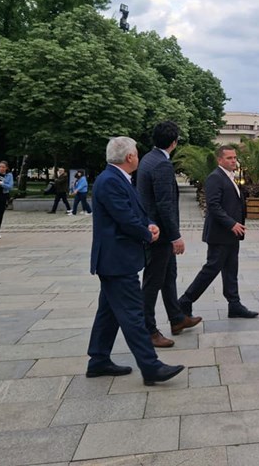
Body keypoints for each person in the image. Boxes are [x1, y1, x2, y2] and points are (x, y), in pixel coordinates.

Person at [86, 136, 184, 386]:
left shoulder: (118, 178)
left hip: (116, 260)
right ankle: (151, 367)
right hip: (117, 261)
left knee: (108, 312)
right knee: (133, 314)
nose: (138, 157)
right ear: (129, 157)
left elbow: (134, 212)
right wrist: (147, 234)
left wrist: (149, 224)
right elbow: (125, 218)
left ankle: (98, 360)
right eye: (137, 153)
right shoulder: (110, 180)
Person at [137, 121, 202, 348]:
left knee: (168, 276)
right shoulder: (162, 164)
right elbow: (164, 204)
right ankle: (148, 330)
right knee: (153, 282)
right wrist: (175, 237)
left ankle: (177, 318)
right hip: (160, 235)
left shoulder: (148, 158)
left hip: (154, 229)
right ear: (174, 142)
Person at [178, 145, 258, 319]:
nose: (233, 161)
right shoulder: (215, 177)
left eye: (235, 157)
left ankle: (234, 305)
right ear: (219, 160)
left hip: (232, 234)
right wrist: (231, 224)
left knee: (231, 270)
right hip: (220, 234)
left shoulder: (230, 177)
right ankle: (185, 301)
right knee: (211, 269)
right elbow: (213, 206)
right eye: (229, 158)